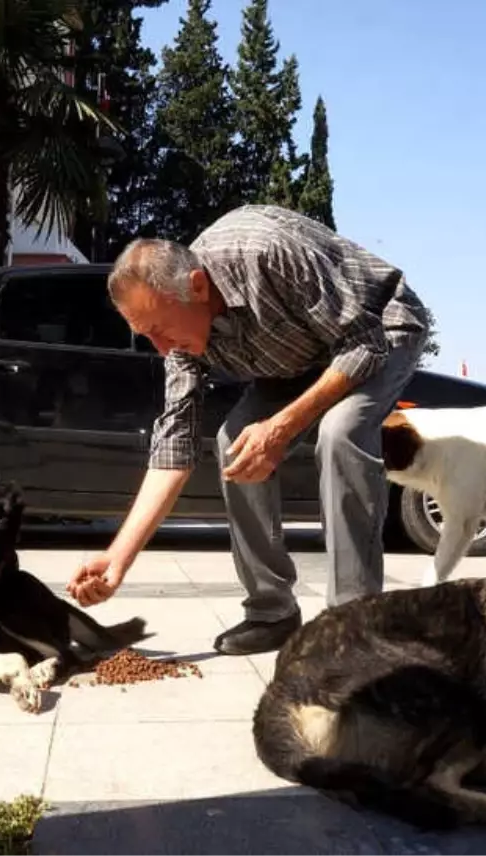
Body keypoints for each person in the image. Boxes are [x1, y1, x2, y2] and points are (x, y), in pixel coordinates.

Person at [66, 205, 431, 655]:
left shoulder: (264, 253)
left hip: (379, 329)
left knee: (340, 432)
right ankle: (271, 611)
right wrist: (116, 560)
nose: (162, 350)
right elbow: (174, 447)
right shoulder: (181, 333)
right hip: (300, 357)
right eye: (148, 338)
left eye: (160, 330)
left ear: (196, 287)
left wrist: (280, 428)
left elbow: (363, 344)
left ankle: (353, 622)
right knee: (232, 443)